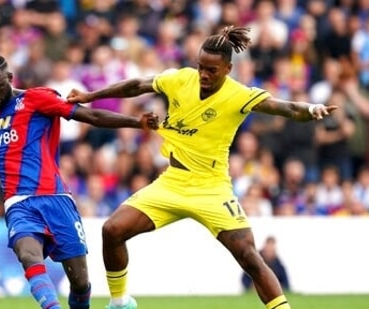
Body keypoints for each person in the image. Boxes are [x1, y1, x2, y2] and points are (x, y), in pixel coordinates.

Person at [67, 26, 337, 309]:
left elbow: (286, 108)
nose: (204, 75)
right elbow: (136, 85)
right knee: (112, 230)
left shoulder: (239, 95)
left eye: (212, 70)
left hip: (212, 188)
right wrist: (89, 96)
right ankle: (120, 302)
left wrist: (310, 109)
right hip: (172, 182)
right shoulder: (180, 79)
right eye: (200, 67)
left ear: (228, 69)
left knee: (249, 256)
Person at [0, 55, 159, 309]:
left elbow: (90, 116)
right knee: (28, 255)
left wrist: (136, 122)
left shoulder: (36, 99)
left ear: (10, 78)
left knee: (80, 283)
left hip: (56, 198)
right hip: (18, 203)